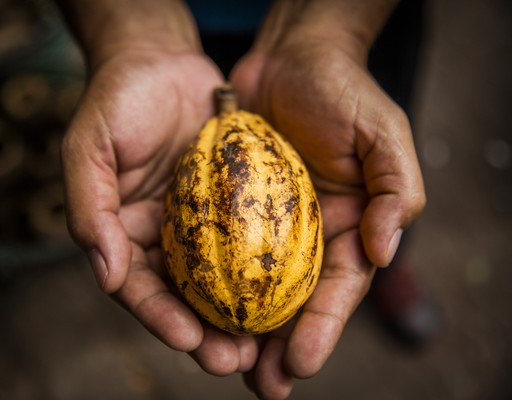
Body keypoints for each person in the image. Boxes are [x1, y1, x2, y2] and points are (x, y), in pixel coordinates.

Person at [55, 0, 427, 398]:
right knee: (367, 219)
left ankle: (391, 270)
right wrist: (130, 38)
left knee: (370, 197)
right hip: (173, 26)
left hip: (342, 25)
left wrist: (332, 30)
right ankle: (388, 264)